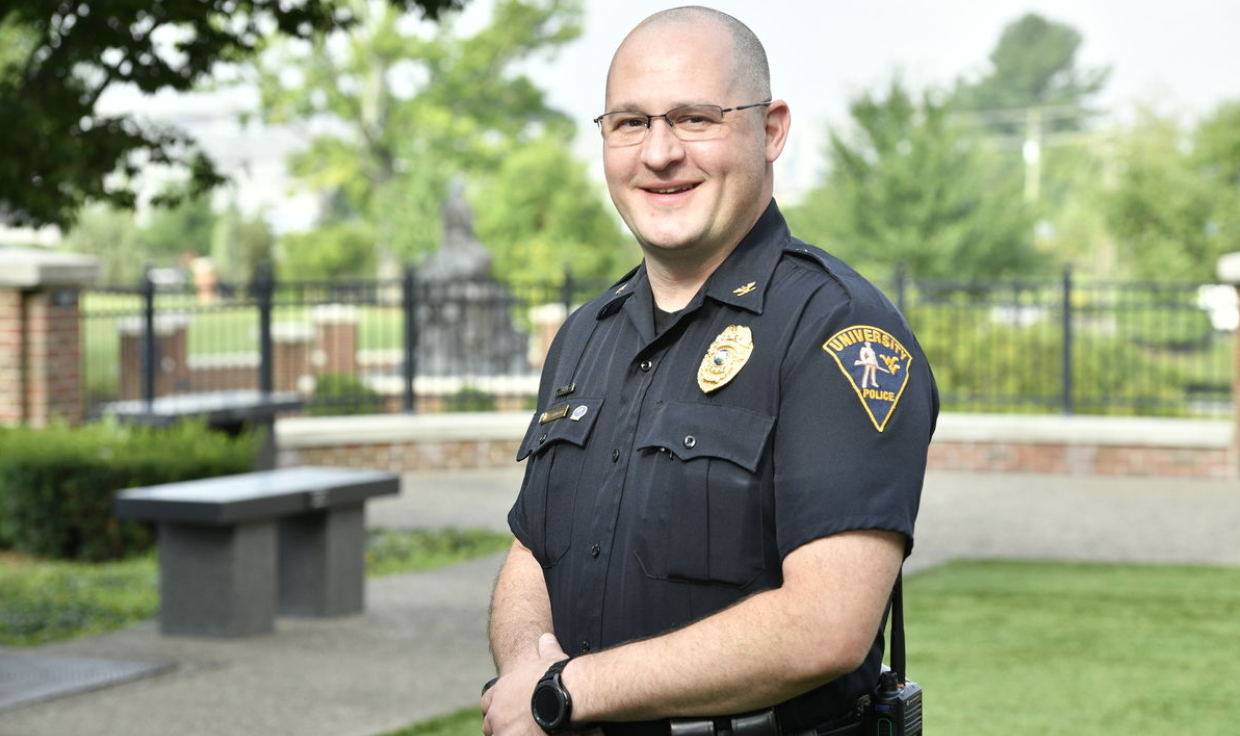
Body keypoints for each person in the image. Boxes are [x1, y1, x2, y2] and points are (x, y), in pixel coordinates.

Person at [481, 7, 938, 736]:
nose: (659, 153)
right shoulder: (584, 336)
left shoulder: (837, 331)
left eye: (694, 118)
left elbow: (827, 625)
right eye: (630, 123)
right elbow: (532, 551)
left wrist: (566, 692)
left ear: (771, 129)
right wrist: (523, 674)